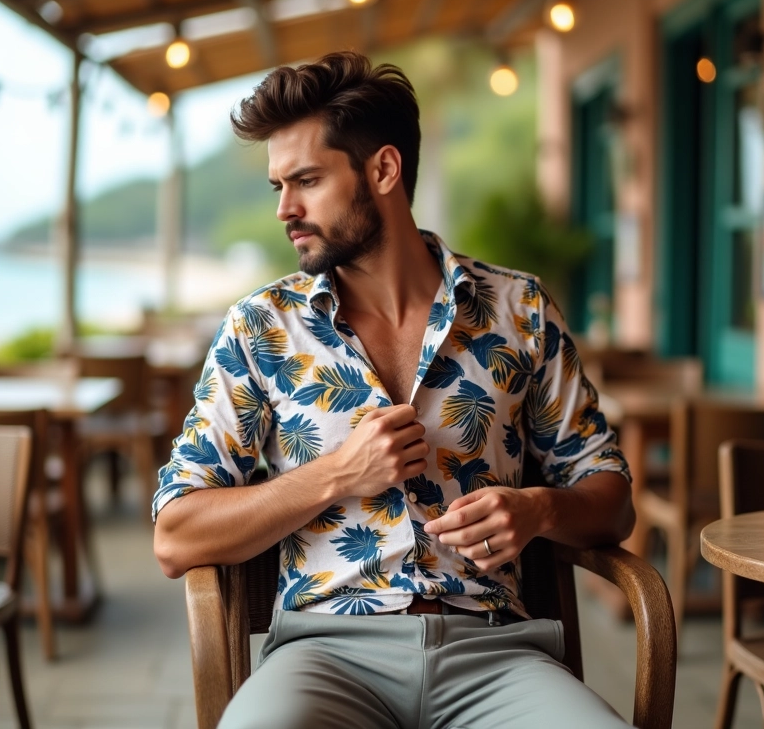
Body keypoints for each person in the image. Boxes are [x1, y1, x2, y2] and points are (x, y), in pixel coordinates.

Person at [152, 51, 636, 729]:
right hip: (323, 658)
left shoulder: (518, 310)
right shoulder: (262, 328)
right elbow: (175, 537)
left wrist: (540, 509)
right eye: (277, 187)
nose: (286, 209)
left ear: (383, 169)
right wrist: (334, 475)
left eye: (308, 180)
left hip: (495, 654)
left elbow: (611, 499)